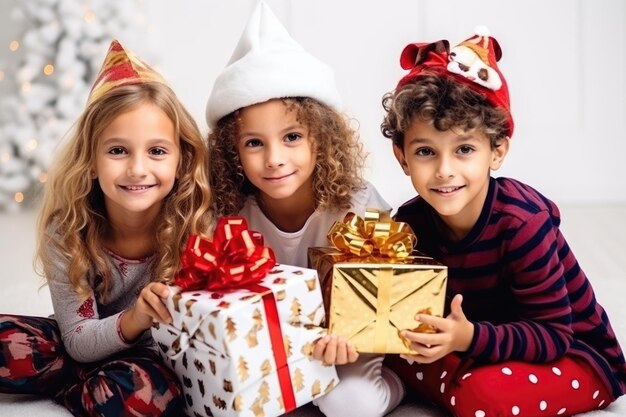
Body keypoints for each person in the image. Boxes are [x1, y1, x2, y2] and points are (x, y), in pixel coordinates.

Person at [380, 28, 626, 417]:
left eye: (464, 149)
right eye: (426, 151)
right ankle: (461, 379)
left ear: (497, 151)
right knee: (385, 350)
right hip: (480, 344)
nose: (445, 171)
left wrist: (468, 337)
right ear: (402, 157)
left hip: (572, 354)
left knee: (484, 397)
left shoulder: (521, 224)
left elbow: (553, 335)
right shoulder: (410, 223)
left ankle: (464, 386)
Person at [206, 2, 403, 417]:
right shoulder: (229, 214)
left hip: (348, 341)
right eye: (254, 143)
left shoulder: (358, 204)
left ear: (322, 138)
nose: (274, 158)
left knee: (349, 404)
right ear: (232, 152)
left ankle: (398, 384)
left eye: (292, 137)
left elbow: (386, 291)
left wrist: (350, 337)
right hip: (272, 341)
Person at [0, 40, 213, 416]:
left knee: (139, 395)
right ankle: (85, 383)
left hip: (153, 361)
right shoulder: (67, 231)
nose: (137, 169)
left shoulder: (195, 224)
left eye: (157, 151)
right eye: (118, 150)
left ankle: (77, 389)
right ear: (91, 162)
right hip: (84, 342)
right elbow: (79, 339)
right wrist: (134, 318)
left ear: (182, 159)